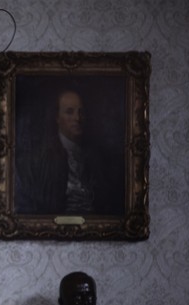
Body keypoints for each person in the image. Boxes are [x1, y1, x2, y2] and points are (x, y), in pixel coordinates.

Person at [15, 87, 123, 216]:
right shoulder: (40, 159)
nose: (77, 118)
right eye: (69, 112)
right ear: (57, 117)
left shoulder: (97, 157)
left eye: (81, 112)